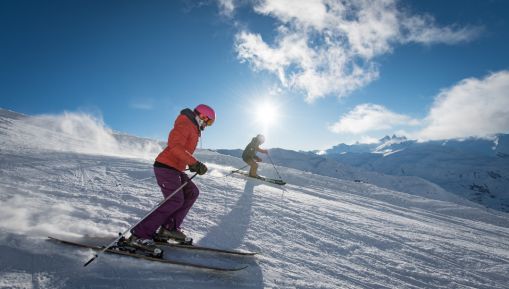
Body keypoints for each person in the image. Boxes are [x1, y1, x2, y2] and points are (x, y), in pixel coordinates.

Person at [128, 104, 215, 250]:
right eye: (209, 121)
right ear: (202, 116)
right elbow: (175, 146)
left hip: (176, 169)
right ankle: (139, 235)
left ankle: (169, 229)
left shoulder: (194, 128)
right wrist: (194, 163)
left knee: (192, 192)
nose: (208, 125)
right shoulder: (186, 123)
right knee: (175, 200)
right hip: (165, 167)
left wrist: (193, 164)